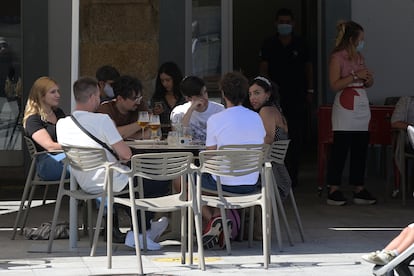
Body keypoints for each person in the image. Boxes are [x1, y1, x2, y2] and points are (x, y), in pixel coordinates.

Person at [56, 76, 167, 250]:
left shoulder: (62, 124)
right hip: (112, 182)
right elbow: (126, 154)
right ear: (93, 97)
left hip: (84, 183)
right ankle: (139, 234)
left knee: (142, 182)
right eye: (98, 97)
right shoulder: (102, 120)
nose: (100, 100)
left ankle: (146, 231)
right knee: (158, 179)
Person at [201, 71, 266, 249]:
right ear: (245, 93)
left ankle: (216, 220)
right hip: (250, 184)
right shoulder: (256, 118)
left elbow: (209, 158)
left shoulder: (215, 119)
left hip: (223, 184)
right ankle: (222, 221)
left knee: (187, 182)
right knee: (216, 181)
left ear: (223, 94)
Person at [259, 8, 314, 188]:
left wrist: (310, 90)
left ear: (293, 23)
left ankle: (293, 176)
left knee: (295, 136)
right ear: (276, 23)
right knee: (275, 136)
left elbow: (308, 67)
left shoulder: (301, 43)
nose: (285, 25)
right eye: (281, 21)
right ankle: (276, 176)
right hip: (275, 97)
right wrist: (265, 92)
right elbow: (264, 68)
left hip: (297, 96)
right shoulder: (269, 43)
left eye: (287, 22)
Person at [325, 21, 375, 206]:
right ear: (352, 39)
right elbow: (334, 84)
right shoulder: (337, 57)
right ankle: (334, 187)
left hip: (361, 103)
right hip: (345, 104)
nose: (362, 42)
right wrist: (355, 76)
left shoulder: (359, 56)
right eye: (360, 39)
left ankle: (358, 187)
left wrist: (368, 79)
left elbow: (366, 81)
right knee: (341, 145)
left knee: (360, 146)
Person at [247, 76, 291, 199]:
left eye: (257, 93)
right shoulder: (276, 110)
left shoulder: (266, 111)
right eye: (250, 94)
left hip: (271, 177)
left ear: (268, 94)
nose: (252, 98)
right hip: (277, 173)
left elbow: (268, 139)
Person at [22, 76, 68, 181]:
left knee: (90, 163)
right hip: (47, 161)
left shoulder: (58, 113)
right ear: (41, 96)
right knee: (84, 166)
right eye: (53, 92)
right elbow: (50, 146)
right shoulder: (33, 120)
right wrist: (77, 148)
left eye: (58, 91)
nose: (58, 95)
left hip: (65, 157)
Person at [171, 75, 224, 143]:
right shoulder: (179, 112)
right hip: (189, 152)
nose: (205, 97)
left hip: (212, 152)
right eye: (199, 95)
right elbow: (177, 137)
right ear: (188, 98)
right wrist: (190, 110)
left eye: (205, 92)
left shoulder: (220, 110)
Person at [96, 75, 150, 140]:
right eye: (134, 99)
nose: (138, 102)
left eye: (140, 98)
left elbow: (154, 132)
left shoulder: (141, 105)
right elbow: (111, 134)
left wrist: (127, 135)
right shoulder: (105, 108)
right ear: (120, 98)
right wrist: (140, 124)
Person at [151, 62, 186, 138]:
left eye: (168, 80)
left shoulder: (184, 97)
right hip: (162, 137)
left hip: (182, 136)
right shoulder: (158, 98)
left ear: (175, 79)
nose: (165, 84)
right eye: (162, 81)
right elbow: (152, 121)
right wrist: (155, 114)